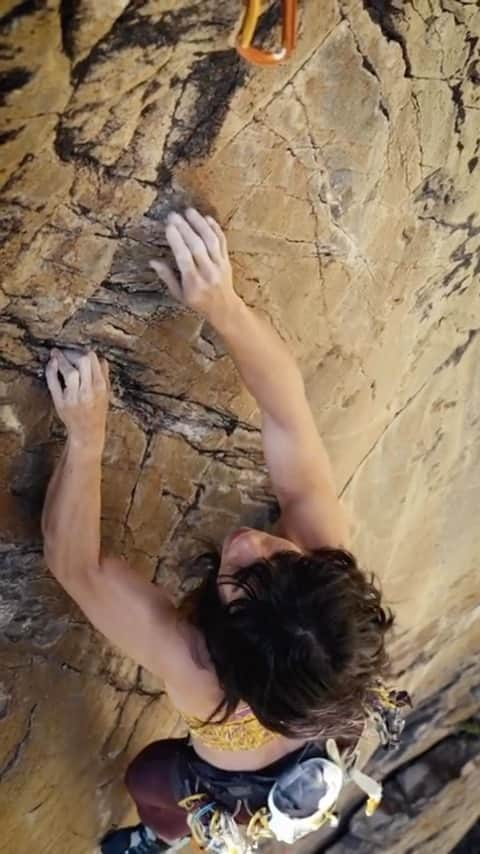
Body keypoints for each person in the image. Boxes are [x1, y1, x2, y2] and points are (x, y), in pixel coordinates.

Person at [42, 210, 394, 854]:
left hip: (231, 772)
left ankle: (164, 838)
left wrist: (87, 440)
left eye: (239, 580)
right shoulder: (322, 574)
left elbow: (78, 567)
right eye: (280, 557)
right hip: (314, 715)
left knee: (152, 781)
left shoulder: (195, 667)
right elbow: (288, 413)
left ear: (217, 641)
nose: (247, 542)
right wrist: (221, 302)